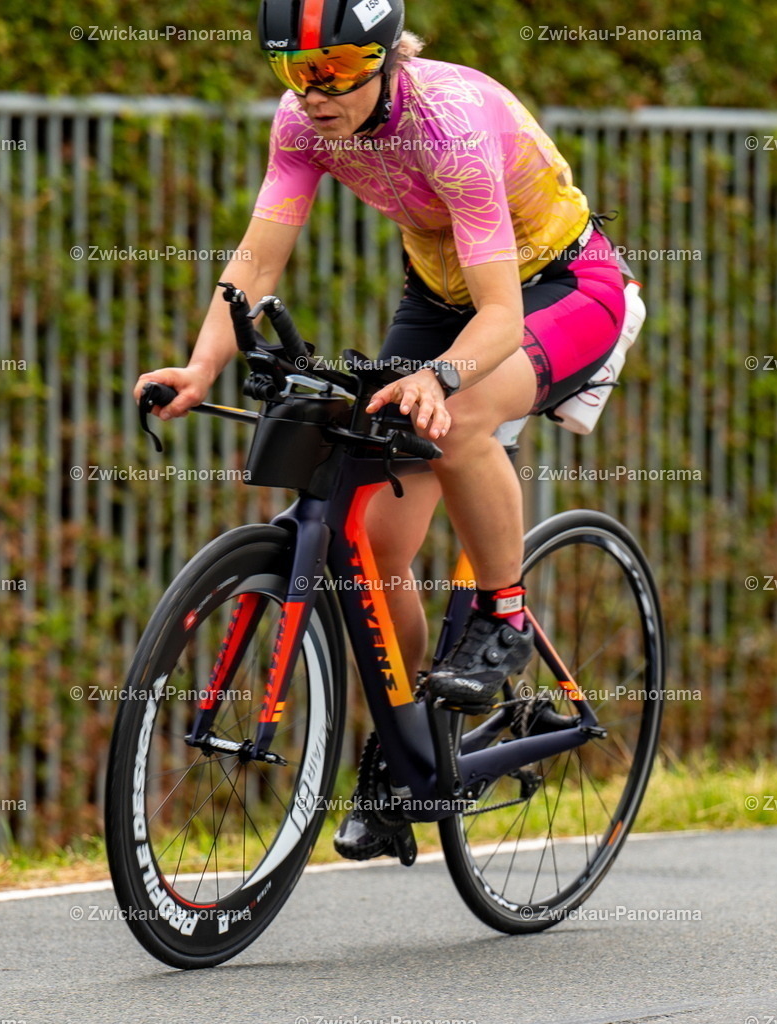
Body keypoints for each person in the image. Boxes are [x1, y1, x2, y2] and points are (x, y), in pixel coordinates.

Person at [133, 0, 628, 861]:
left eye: (331, 71)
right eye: (294, 70)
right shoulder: (302, 123)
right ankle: (407, 746)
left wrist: (438, 379)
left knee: (458, 421)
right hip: (439, 298)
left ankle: (503, 619)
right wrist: (202, 364)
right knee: (374, 537)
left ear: (384, 57)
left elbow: (502, 315)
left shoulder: (450, 125)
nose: (312, 93)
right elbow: (256, 260)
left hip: (559, 289)